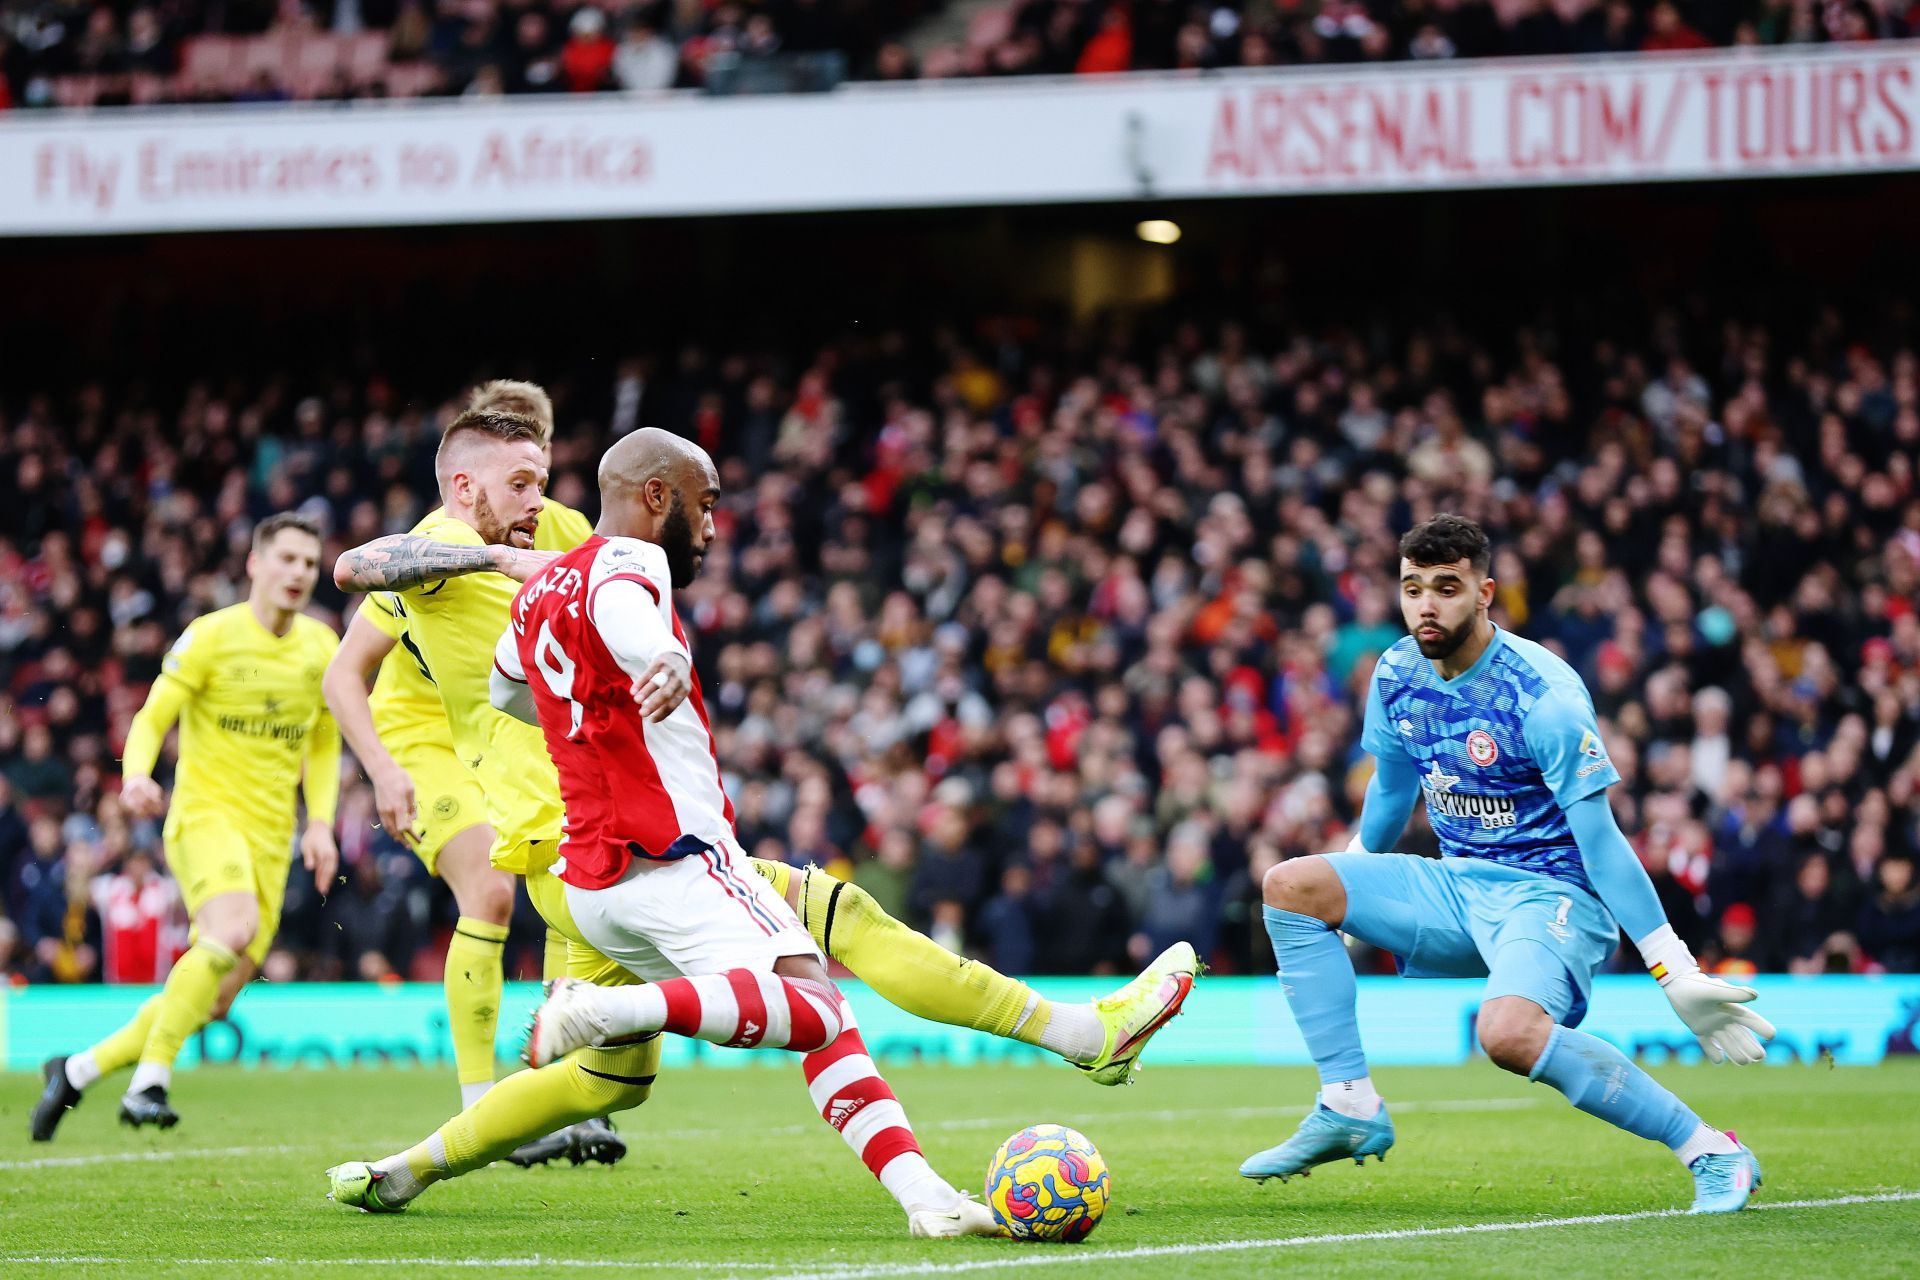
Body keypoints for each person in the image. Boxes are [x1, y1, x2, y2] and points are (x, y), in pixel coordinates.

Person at [323, 427, 1195, 1228]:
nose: (536, 497)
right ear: (465, 484)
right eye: (519, 481)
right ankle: (1087, 1036)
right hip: (643, 846)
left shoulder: (547, 570)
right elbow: (378, 569)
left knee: (611, 1084)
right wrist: (654, 653)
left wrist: (550, 607)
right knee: (832, 944)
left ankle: (407, 1168)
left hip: (579, 869)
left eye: (545, 480)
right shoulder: (547, 559)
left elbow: (510, 685)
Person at [1241, 514, 1774, 1214]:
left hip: (1551, 897)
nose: (1426, 605)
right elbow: (1393, 785)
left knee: (1506, 1034)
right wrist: (1355, 873)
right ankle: (1348, 1104)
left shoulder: (1543, 697)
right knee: (1291, 886)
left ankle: (1712, 1149)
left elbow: (1602, 841)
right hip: (1458, 884)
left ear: (1485, 593)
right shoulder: (1398, 672)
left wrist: (1672, 968)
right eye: (1412, 588)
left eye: (1446, 588)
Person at [322, 380, 622, 1166]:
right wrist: (383, 771)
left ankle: (561, 1091)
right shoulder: (438, 545)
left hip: (510, 734)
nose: (537, 481)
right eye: (519, 468)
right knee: (490, 889)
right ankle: (479, 1104)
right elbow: (344, 663)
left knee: (572, 894)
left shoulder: (564, 527)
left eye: (543, 455)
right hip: (424, 734)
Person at [31, 513, 341, 1139]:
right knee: (233, 926)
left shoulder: (320, 649)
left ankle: (77, 1070)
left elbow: (326, 744)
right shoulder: (210, 636)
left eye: (309, 564)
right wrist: (137, 776)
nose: (298, 574)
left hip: (270, 839)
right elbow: (151, 717)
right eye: (286, 559)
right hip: (204, 817)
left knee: (216, 997)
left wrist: (321, 825)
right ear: (255, 564)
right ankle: (151, 1079)